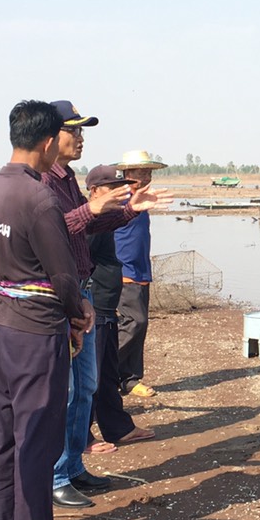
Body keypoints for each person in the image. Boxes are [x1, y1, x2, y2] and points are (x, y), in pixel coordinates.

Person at [0, 100, 94, 520]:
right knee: (37, 437)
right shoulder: (39, 198)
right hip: (35, 330)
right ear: (47, 143)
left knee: (2, 433)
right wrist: (79, 313)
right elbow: (62, 275)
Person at [40, 102, 166, 508]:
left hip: (83, 290)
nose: (80, 138)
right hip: (59, 295)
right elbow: (49, 232)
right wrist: (90, 209)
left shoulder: (65, 179)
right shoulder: (39, 181)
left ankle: (74, 467)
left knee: (87, 386)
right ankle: (57, 475)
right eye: (73, 130)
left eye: (82, 131)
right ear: (49, 135)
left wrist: (128, 209)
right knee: (68, 389)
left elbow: (87, 225)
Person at [86, 165, 156, 447]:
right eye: (112, 189)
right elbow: (83, 260)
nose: (119, 193)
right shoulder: (90, 219)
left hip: (108, 299)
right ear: (93, 192)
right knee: (90, 375)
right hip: (96, 300)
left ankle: (117, 427)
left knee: (105, 372)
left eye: (121, 188)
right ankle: (82, 436)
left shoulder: (113, 215)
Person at [114, 149, 168, 398]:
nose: (145, 176)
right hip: (124, 271)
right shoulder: (119, 198)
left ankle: (129, 379)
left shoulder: (142, 199)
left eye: (147, 172)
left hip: (141, 270)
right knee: (134, 323)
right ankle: (106, 374)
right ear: (126, 173)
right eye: (139, 172)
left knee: (140, 325)